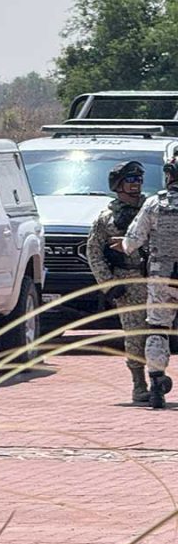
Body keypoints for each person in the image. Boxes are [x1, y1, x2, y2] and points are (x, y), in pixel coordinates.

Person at [111, 155, 178, 409]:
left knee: (157, 328)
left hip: (161, 276)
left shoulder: (154, 202)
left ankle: (156, 384)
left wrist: (124, 245)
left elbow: (133, 238)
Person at [86, 161, 149, 403]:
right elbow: (94, 252)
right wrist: (108, 282)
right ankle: (139, 382)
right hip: (127, 282)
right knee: (135, 334)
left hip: (155, 279)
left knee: (159, 333)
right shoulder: (106, 219)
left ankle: (157, 377)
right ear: (118, 184)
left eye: (139, 180)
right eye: (131, 180)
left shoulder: (153, 209)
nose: (136, 185)